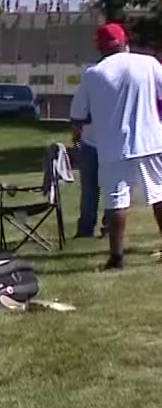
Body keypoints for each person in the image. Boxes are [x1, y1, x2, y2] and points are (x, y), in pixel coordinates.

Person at [69, 22, 162, 270]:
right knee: (159, 195)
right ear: (124, 42)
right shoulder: (149, 63)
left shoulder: (94, 73)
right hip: (152, 140)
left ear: (99, 47)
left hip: (113, 146)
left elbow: (78, 114)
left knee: (116, 202)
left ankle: (117, 257)